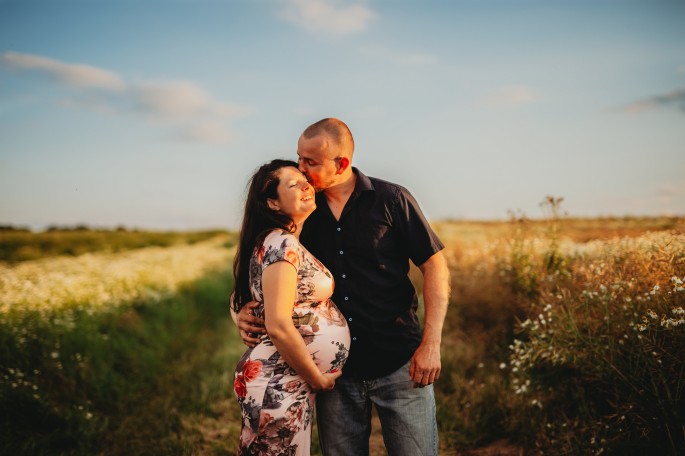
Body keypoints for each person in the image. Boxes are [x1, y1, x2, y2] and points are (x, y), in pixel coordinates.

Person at [236, 118, 450, 456]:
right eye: (298, 158)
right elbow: (262, 262)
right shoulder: (303, 210)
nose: (300, 169)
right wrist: (237, 310)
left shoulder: (391, 199)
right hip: (337, 377)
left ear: (342, 164)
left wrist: (432, 343)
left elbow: (434, 265)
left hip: (399, 362)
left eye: (310, 162)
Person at [231, 159, 350, 455]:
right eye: (293, 184)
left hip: (286, 380)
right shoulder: (281, 243)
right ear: (272, 202)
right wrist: (317, 379)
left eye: (305, 180)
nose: (306, 186)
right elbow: (279, 324)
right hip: (279, 381)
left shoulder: (279, 242)